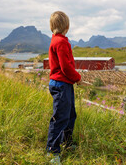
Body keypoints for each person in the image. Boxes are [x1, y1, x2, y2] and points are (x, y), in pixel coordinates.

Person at [46, 11, 81, 164]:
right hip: (61, 85)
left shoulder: (56, 40)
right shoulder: (61, 42)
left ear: (52, 27)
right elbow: (65, 67)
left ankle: (67, 143)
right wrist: (77, 78)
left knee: (70, 115)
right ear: (67, 26)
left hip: (63, 84)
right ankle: (52, 152)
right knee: (60, 118)